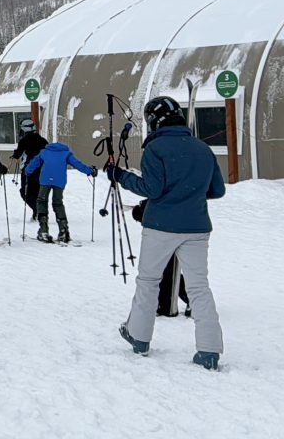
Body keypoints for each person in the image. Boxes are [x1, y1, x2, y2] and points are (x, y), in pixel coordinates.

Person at [109, 95, 225, 371]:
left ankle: (139, 337)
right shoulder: (202, 148)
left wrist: (120, 175)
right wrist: (189, 192)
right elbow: (217, 190)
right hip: (197, 227)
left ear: (153, 121)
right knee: (199, 287)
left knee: (149, 280)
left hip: (160, 226)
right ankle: (209, 350)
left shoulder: (156, 148)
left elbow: (152, 189)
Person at [23, 140, 96, 243]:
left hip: (45, 180)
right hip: (59, 181)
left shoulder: (44, 152)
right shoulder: (66, 153)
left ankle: (43, 230)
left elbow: (34, 162)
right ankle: (63, 231)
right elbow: (77, 164)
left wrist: (27, 171)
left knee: (41, 201)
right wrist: (90, 171)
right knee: (58, 203)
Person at [132, 200, 191, 318]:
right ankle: (165, 305)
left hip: (175, 230)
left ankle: (179, 303)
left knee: (170, 269)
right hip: (164, 230)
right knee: (162, 269)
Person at [12, 118, 48, 217]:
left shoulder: (24, 141)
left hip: (28, 170)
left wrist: (15, 154)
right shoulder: (43, 140)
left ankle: (37, 210)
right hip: (42, 170)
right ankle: (38, 212)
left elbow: (18, 154)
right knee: (37, 192)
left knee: (25, 192)